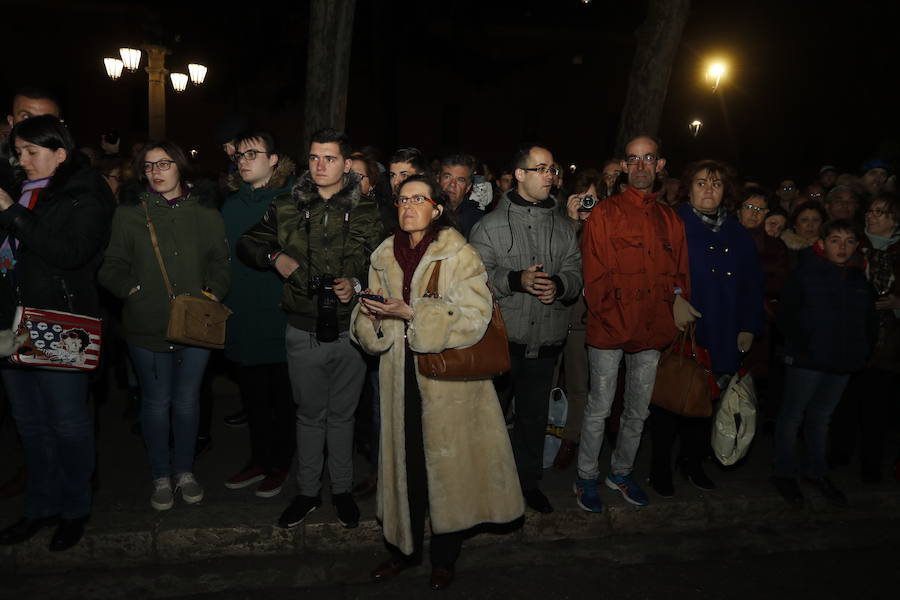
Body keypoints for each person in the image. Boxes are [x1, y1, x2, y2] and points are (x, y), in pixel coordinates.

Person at [351, 174, 523, 590]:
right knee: (404, 466)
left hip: (449, 385)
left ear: (437, 208)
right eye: (402, 200)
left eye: (418, 199)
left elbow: (474, 318)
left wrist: (413, 314)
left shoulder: (459, 254)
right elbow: (363, 321)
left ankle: (444, 557)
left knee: (447, 471)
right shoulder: (382, 255)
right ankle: (402, 552)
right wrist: (371, 319)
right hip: (398, 380)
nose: (408, 207)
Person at [237, 127, 382, 531]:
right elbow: (247, 242)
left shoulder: (369, 210)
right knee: (309, 415)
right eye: (315, 157)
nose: (320, 166)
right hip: (302, 327)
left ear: (347, 164)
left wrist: (354, 282)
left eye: (330, 158)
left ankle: (340, 491)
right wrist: (273, 256)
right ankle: (306, 493)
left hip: (351, 329)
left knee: (343, 416)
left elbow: (381, 261)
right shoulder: (285, 205)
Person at [0, 114, 113, 551]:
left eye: (32, 152)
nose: (22, 160)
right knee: (30, 424)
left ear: (60, 153)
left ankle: (74, 509)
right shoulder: (21, 193)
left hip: (59, 323)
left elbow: (68, 254)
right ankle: (39, 508)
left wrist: (10, 212)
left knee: (67, 424)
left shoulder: (83, 192)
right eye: (19, 152)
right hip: (10, 323)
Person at [98, 140, 230, 512]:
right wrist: (131, 290)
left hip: (196, 321)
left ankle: (185, 472)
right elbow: (110, 265)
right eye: (150, 166)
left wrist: (213, 292)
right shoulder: (129, 213)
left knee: (187, 402)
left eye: (164, 164)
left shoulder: (205, 211)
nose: (156, 172)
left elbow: (221, 260)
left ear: (180, 168)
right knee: (156, 403)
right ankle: (160, 476)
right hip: (146, 321)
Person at [575, 135, 691, 512]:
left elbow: (679, 276)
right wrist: (615, 322)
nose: (641, 166)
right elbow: (594, 278)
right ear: (624, 166)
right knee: (599, 407)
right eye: (633, 160)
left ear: (660, 165)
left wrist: (677, 309)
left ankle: (620, 472)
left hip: (653, 329)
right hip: (610, 329)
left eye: (648, 159)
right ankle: (586, 476)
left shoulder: (669, 218)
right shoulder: (605, 214)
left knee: (638, 410)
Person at [469, 144, 582, 514]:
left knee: (534, 418)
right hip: (503, 340)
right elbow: (475, 277)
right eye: (541, 169)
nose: (550, 175)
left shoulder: (565, 228)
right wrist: (515, 279)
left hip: (546, 340)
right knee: (490, 419)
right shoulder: (489, 225)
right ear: (520, 174)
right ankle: (482, 484)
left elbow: (575, 272)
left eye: (553, 169)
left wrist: (561, 286)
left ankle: (527, 483)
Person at [648, 161, 763, 497]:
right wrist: (675, 298)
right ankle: (659, 468)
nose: (708, 189)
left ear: (726, 190)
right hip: (686, 327)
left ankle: (692, 463)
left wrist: (748, 325)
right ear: (689, 188)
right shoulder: (674, 221)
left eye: (715, 183)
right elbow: (657, 268)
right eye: (701, 183)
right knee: (672, 398)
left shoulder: (737, 231)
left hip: (724, 326)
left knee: (706, 401)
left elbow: (752, 282)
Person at [772, 219, 877, 507]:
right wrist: (802, 344)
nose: (842, 247)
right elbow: (785, 316)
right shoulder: (805, 273)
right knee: (793, 417)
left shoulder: (859, 278)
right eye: (835, 240)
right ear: (822, 242)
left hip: (842, 362)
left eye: (848, 241)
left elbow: (869, 321)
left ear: (857, 245)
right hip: (807, 360)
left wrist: (862, 350)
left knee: (821, 419)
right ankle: (784, 473)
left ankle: (816, 472)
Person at [221, 130, 297, 499]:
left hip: (279, 313)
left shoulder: (291, 201)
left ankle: (280, 464)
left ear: (274, 160)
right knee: (251, 397)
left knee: (280, 397)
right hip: (241, 314)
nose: (245, 159)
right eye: (241, 154)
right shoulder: (231, 205)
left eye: (255, 153)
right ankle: (258, 458)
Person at [830, 195, 900, 483]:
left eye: (880, 213)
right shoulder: (855, 245)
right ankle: (838, 454)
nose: (872, 216)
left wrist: (897, 303)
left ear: (895, 220)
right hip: (851, 335)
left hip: (889, 342)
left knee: (877, 408)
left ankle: (871, 466)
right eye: (870, 211)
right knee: (844, 400)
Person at [439, 153, 483, 238]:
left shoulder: (477, 222)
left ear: (468, 187)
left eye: (460, 180)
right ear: (438, 179)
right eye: (447, 177)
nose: (452, 184)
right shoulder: (424, 212)